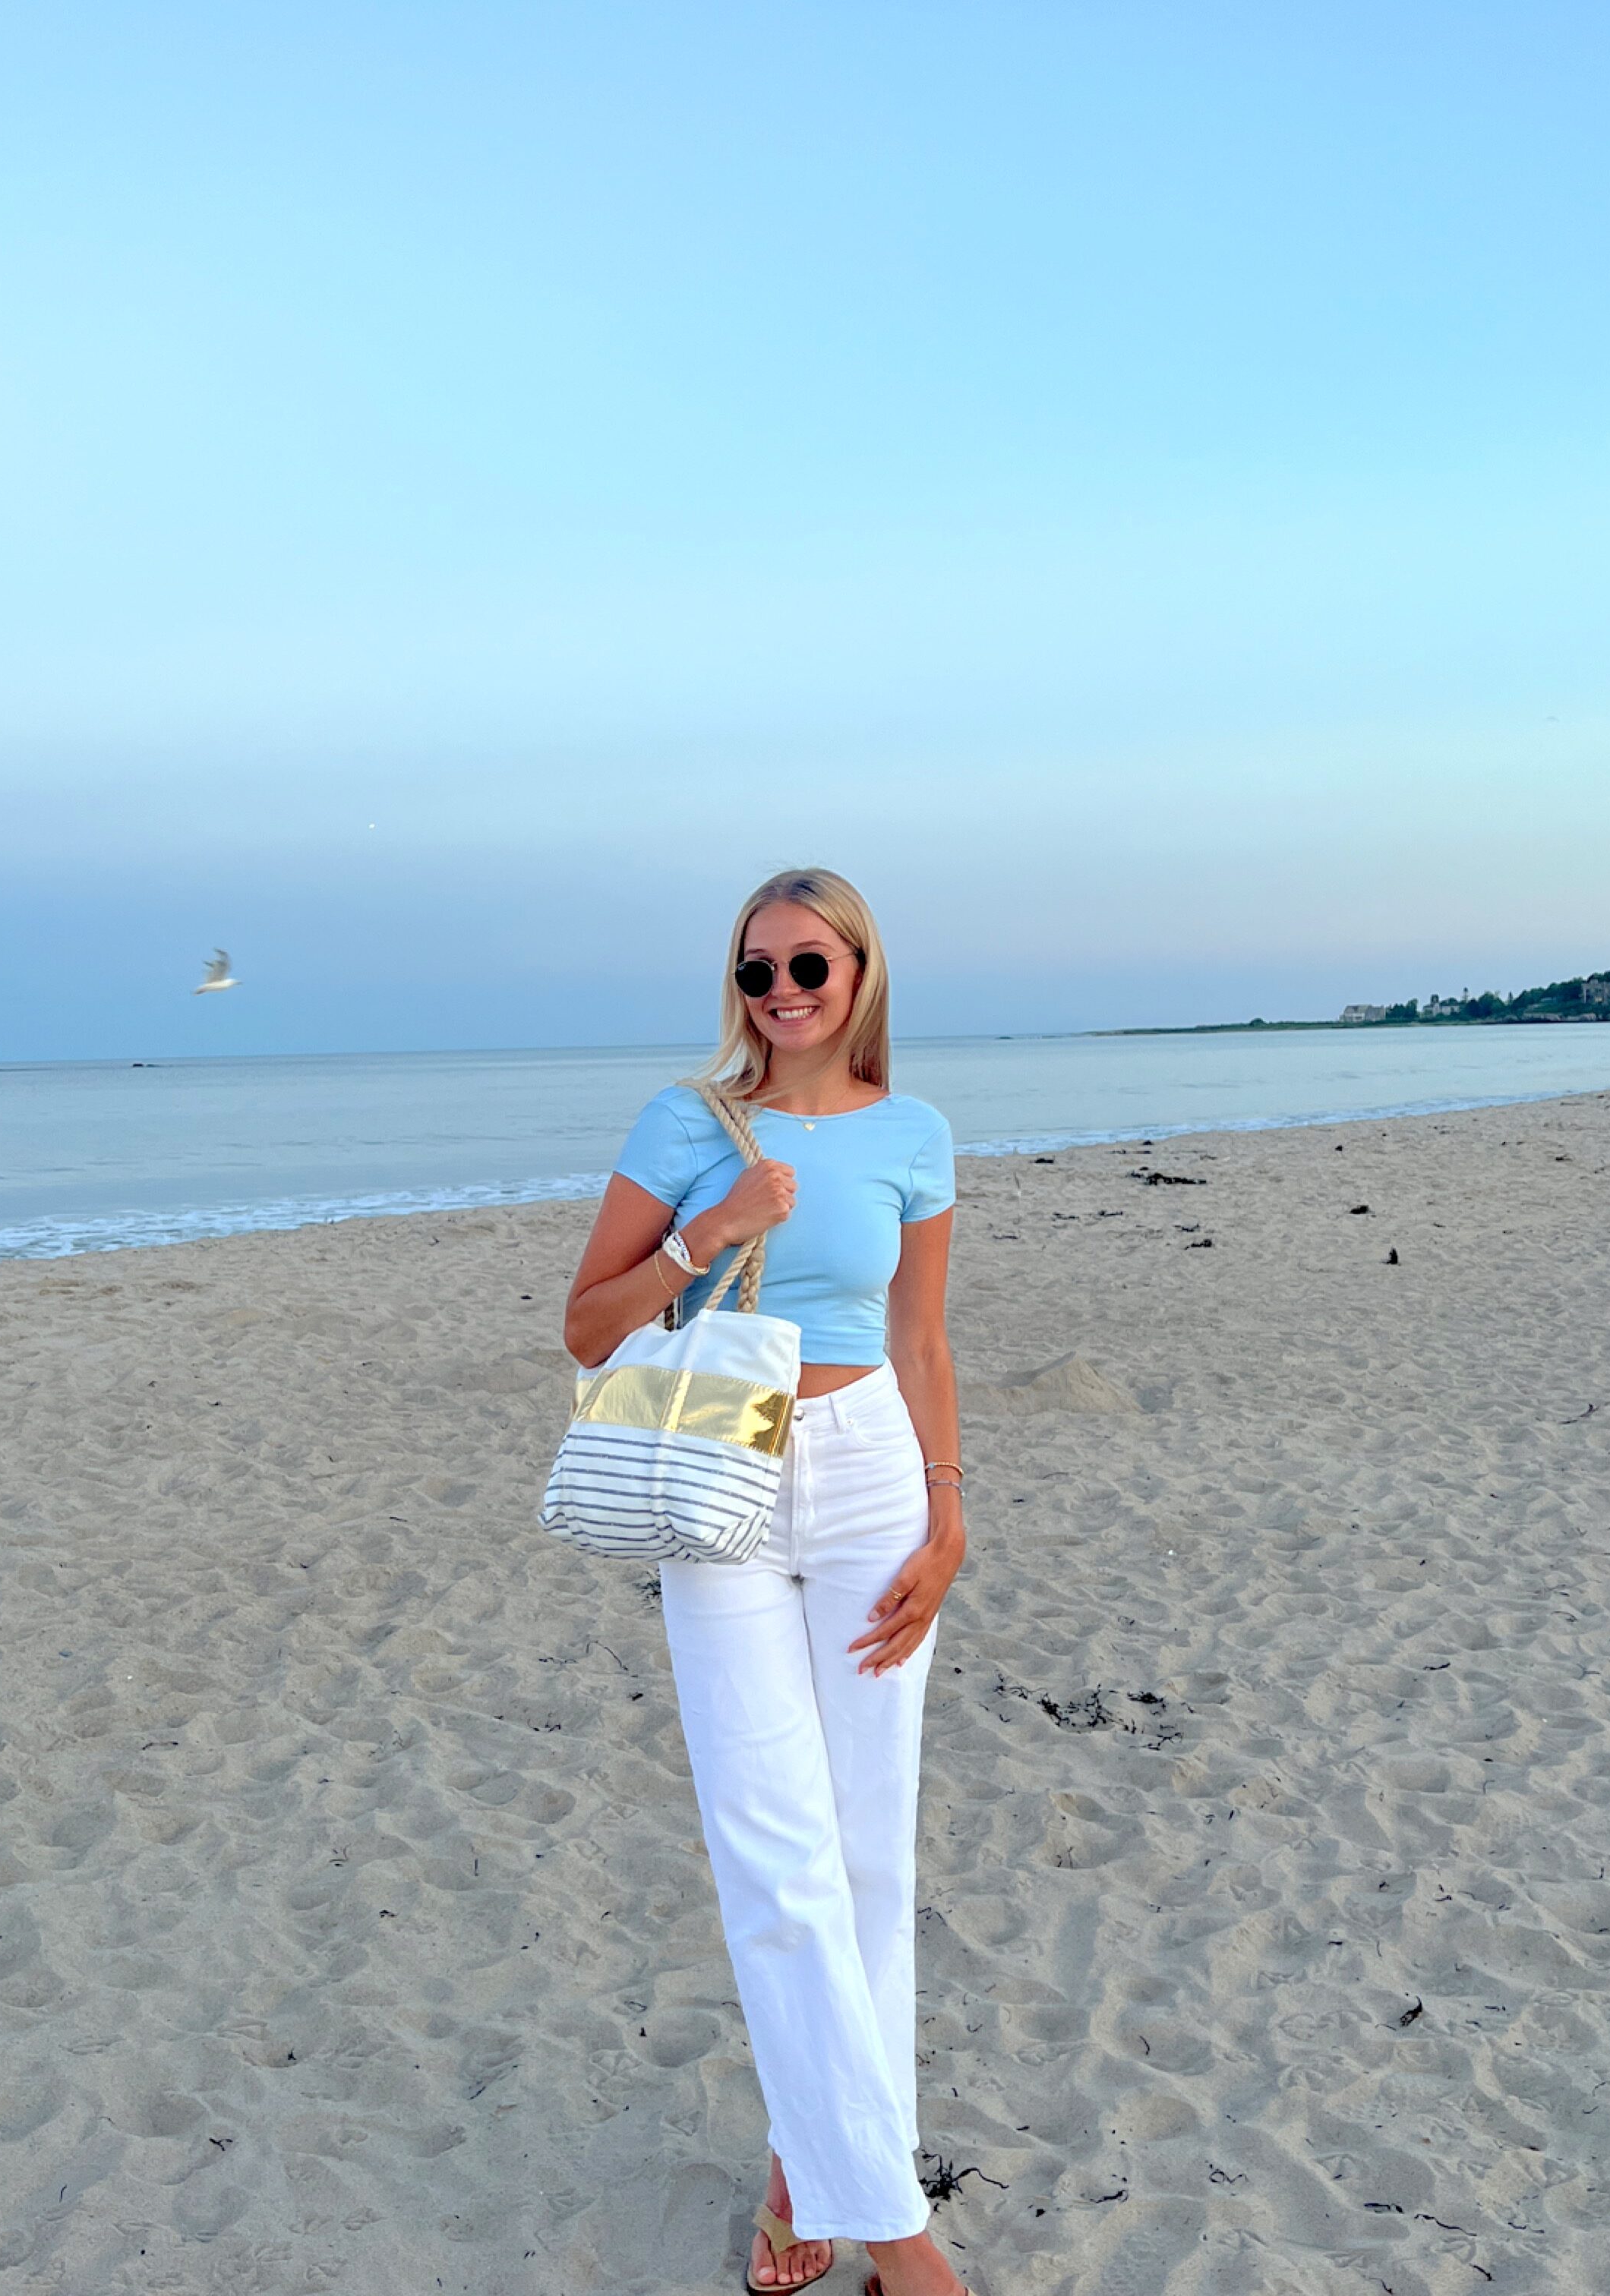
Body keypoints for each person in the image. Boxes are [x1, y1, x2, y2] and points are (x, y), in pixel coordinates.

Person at [564, 868, 974, 2296]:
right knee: (772, 1852)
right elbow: (587, 1325)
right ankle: (900, 2235)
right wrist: (711, 1231)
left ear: (861, 972)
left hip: (871, 1473)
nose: (784, 994)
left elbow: (920, 1339)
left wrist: (949, 1512)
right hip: (720, 1477)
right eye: (757, 972)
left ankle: (812, 2168)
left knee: (868, 1853)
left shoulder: (916, 1134)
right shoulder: (689, 1122)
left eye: (810, 965)